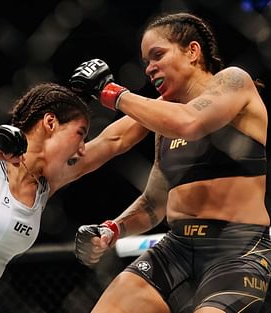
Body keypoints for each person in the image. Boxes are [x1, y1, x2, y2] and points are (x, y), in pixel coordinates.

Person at [71, 12, 270, 313]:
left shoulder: (234, 82)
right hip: (175, 248)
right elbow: (153, 203)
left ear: (192, 51)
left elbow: (190, 122)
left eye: (157, 55)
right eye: (146, 62)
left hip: (237, 248)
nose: (150, 69)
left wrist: (111, 92)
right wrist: (111, 229)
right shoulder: (164, 121)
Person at [0, 81, 150, 312]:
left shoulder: (45, 185)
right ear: (50, 123)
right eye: (80, 134)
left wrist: (177, 95)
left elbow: (114, 140)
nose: (82, 148)